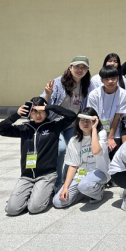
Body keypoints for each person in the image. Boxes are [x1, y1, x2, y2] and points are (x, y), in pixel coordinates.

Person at [0, 97, 77, 215]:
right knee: (11, 209)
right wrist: (16, 115)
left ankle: (50, 191)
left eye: (41, 111)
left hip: (46, 175)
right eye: (34, 112)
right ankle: (34, 194)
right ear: (29, 113)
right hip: (26, 176)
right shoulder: (24, 128)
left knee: (34, 208)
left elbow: (72, 116)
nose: (38, 115)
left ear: (46, 112)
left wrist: (49, 107)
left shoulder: (54, 126)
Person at [41, 56, 92, 188]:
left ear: (87, 70)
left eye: (84, 67)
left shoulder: (88, 84)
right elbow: (43, 102)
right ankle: (57, 183)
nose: (80, 70)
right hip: (55, 122)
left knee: (75, 150)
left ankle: (66, 180)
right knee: (61, 149)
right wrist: (48, 94)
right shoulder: (59, 82)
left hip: (72, 124)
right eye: (77, 66)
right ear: (70, 67)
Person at [52, 108, 110, 208]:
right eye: (82, 120)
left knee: (84, 185)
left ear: (94, 121)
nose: (85, 123)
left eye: (88, 120)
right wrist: (65, 187)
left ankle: (98, 191)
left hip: (100, 171)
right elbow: (73, 165)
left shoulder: (101, 134)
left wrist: (94, 129)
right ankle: (84, 191)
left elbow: (95, 151)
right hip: (81, 175)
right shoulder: (74, 140)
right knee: (58, 202)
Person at [87, 66, 126, 158]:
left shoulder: (124, 94)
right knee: (97, 158)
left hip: (114, 132)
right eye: (106, 79)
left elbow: (117, 117)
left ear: (118, 78)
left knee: (115, 158)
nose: (110, 81)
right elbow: (93, 116)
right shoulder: (94, 95)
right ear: (101, 80)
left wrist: (110, 137)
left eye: (113, 78)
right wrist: (98, 135)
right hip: (97, 130)